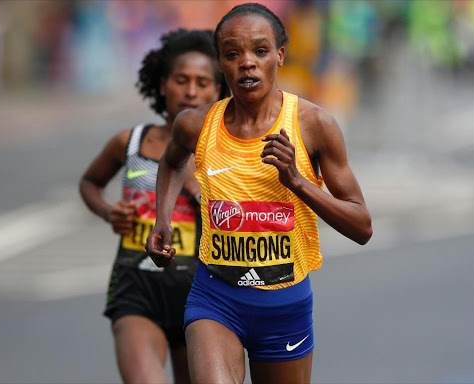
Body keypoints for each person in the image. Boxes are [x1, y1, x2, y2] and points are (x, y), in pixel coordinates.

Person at [146, 3, 373, 384]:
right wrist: (163, 220)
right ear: (221, 63)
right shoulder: (194, 125)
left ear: (280, 56)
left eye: (260, 51)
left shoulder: (314, 126)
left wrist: (298, 181)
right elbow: (171, 163)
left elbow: (362, 226)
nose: (247, 63)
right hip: (215, 299)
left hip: (283, 306)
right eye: (233, 53)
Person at [79, 29, 228, 384]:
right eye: (181, 80)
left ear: (218, 91)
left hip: (203, 296)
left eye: (203, 82)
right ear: (162, 85)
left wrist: (195, 187)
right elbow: (89, 183)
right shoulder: (130, 142)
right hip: (136, 290)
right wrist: (107, 211)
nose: (191, 91)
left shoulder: (227, 153)